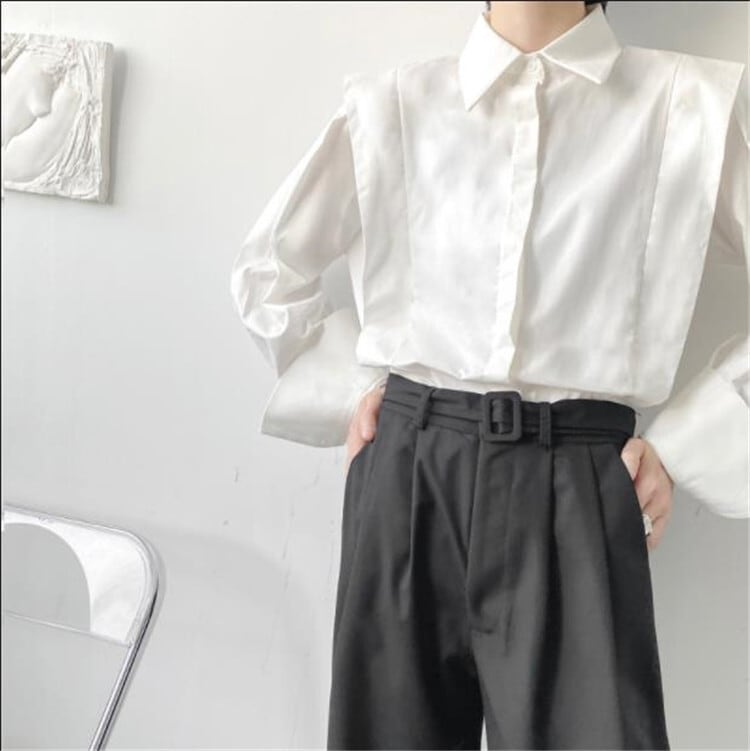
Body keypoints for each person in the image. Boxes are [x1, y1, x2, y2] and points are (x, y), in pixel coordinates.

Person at [230, 1, 748, 748]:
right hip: (411, 472)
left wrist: (687, 446)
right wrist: (354, 390)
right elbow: (266, 274)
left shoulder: (686, 107)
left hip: (581, 480)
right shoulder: (394, 105)